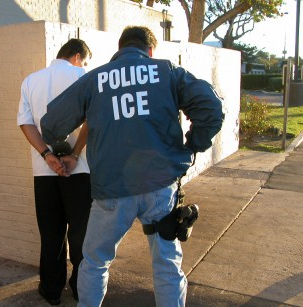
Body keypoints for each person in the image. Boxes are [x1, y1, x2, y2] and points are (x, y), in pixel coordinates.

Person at [40, 26, 224, 306]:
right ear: (150, 51)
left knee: (95, 262)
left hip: (112, 190)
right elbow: (212, 109)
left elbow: (51, 125)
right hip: (161, 188)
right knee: (167, 266)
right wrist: (191, 146)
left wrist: (66, 146)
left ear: (120, 48)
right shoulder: (168, 72)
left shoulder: (95, 78)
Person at [17, 38, 93, 305]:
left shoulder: (31, 81)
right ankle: (82, 289)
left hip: (44, 171)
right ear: (76, 56)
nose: (83, 65)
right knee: (81, 233)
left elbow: (25, 124)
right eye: (84, 60)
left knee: (51, 234)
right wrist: (73, 154)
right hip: (80, 170)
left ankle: (51, 290)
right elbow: (92, 120)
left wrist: (47, 155)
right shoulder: (85, 77)